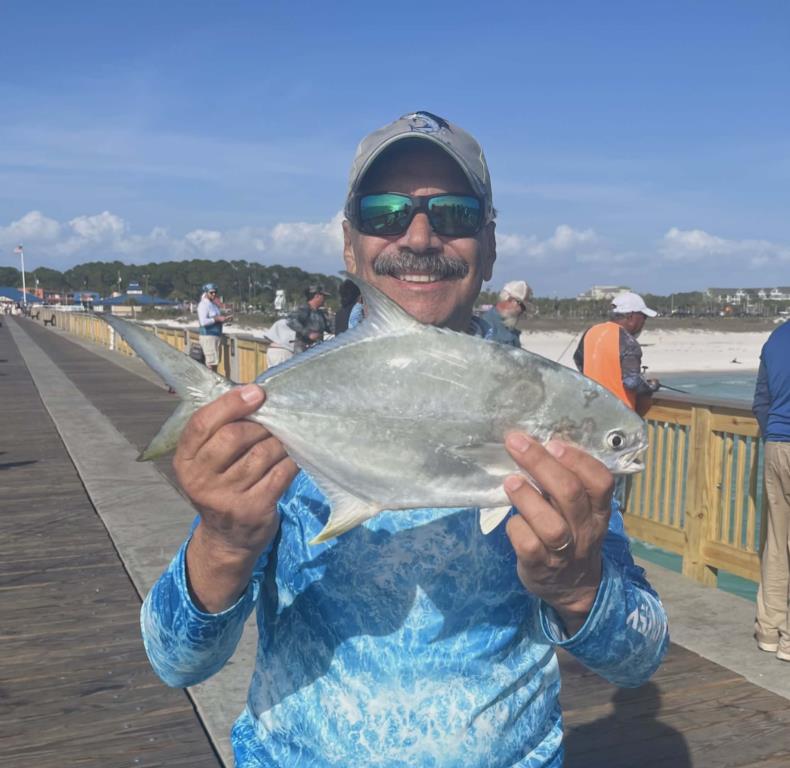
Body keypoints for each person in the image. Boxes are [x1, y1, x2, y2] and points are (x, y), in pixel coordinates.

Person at [141, 111, 668, 767]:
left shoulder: (547, 402)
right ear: (349, 244)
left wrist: (579, 587)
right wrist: (223, 544)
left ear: (489, 244)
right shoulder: (281, 411)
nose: (418, 236)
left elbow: (638, 658)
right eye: (384, 213)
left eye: (453, 213)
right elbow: (175, 661)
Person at [752, 320, 790, 662]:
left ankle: (769, 630)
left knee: (777, 542)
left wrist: (773, 436)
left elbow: (761, 401)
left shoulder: (777, 337)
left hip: (776, 444)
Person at [573, 292, 660, 416]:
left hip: (591, 408)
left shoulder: (591, 331)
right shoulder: (628, 342)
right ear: (631, 316)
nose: (644, 322)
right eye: (643, 317)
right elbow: (631, 382)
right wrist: (650, 387)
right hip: (619, 415)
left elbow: (578, 360)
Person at [481, 280, 532, 347]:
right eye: (522, 306)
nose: (522, 311)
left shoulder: (509, 327)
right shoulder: (486, 325)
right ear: (509, 299)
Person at [287, 284, 332, 353]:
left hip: (318, 351)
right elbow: (290, 320)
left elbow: (330, 328)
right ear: (317, 296)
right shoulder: (304, 309)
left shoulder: (321, 313)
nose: (325, 299)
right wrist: (308, 333)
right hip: (303, 351)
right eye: (324, 296)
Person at [197, 283, 231, 372]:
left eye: (215, 292)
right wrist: (217, 319)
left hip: (216, 337)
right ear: (206, 293)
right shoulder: (203, 305)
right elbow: (203, 322)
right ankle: (210, 380)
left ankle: (213, 379)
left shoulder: (213, 305)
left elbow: (215, 319)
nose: (214, 294)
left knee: (215, 362)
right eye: (211, 292)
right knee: (210, 363)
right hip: (208, 336)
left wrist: (224, 319)